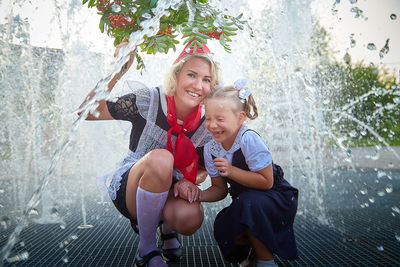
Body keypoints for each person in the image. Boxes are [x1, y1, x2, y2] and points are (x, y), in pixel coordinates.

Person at [78, 40, 222, 267]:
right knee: (162, 158)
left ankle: (167, 229)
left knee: (191, 217)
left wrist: (188, 180)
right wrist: (117, 68)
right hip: (132, 188)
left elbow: (203, 169)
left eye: (206, 79)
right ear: (176, 76)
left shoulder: (208, 122)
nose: (198, 85)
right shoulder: (150, 100)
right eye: (191, 75)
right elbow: (86, 112)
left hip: (170, 188)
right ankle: (145, 250)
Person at [198, 80, 299, 267]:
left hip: (274, 198)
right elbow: (219, 189)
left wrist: (232, 171)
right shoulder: (211, 148)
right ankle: (252, 250)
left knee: (250, 206)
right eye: (208, 118)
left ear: (240, 118)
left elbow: (267, 181)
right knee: (224, 226)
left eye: (220, 119)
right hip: (246, 201)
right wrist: (199, 195)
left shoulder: (248, 139)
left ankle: (266, 262)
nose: (212, 125)